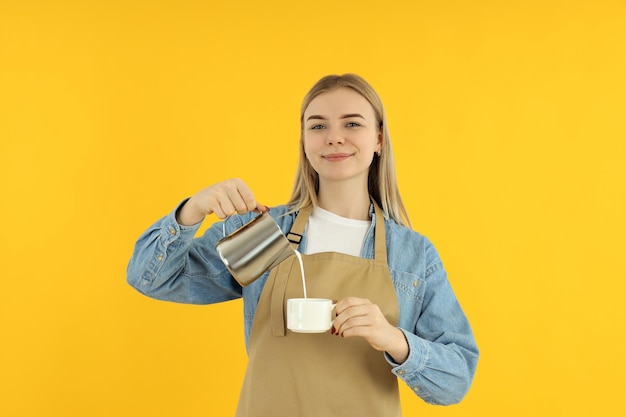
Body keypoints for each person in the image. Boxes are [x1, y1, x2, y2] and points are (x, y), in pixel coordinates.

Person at [127, 74, 479, 416]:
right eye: (318, 126)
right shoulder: (265, 233)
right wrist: (192, 210)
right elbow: (150, 278)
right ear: (303, 141)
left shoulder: (412, 256)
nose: (334, 138)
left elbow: (456, 381)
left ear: (379, 140)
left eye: (352, 124)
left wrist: (393, 339)